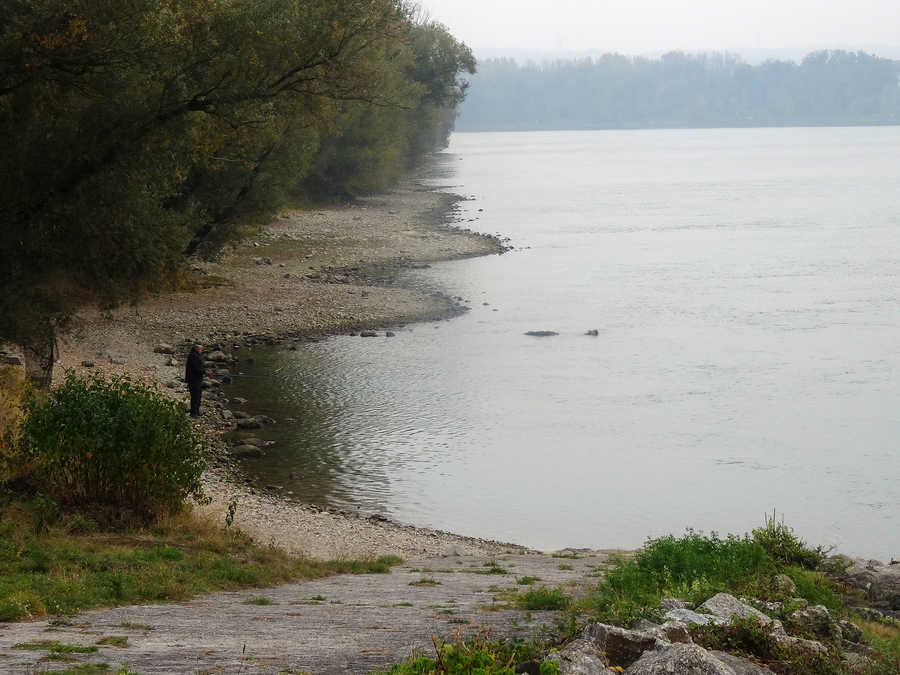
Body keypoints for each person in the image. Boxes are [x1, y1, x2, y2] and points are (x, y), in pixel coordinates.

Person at [185, 341, 208, 418]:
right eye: (200, 347)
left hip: (197, 379)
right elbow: (196, 369)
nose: (201, 349)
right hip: (194, 380)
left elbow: (198, 367)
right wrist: (205, 371)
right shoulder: (193, 356)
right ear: (197, 347)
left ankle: (196, 411)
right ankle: (193, 413)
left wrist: (204, 371)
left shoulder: (195, 355)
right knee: (195, 396)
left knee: (198, 396)